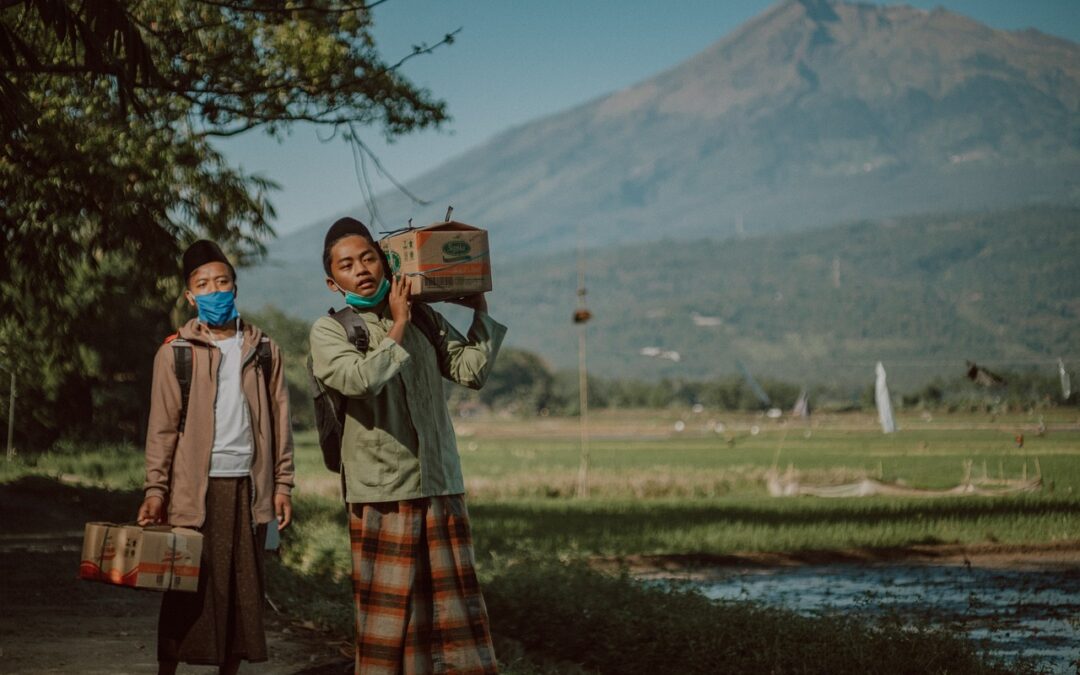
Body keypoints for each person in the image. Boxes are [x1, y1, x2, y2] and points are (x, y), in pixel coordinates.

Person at [309, 217, 506, 675]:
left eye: (368, 258)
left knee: (451, 620)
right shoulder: (332, 330)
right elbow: (359, 380)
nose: (360, 269)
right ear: (332, 281)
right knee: (389, 624)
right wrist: (396, 325)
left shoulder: (423, 317)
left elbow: (470, 372)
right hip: (383, 492)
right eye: (346, 264)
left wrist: (480, 310)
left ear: (387, 263)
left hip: (439, 484)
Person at [137, 239, 295, 675]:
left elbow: (280, 424)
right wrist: (156, 490)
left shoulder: (264, 352)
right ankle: (167, 667)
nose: (214, 291)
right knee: (185, 586)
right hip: (195, 491)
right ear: (190, 296)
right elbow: (162, 430)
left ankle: (229, 670)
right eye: (203, 284)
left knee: (241, 591)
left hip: (247, 487)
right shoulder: (176, 354)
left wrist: (282, 486)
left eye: (221, 281)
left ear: (235, 287)